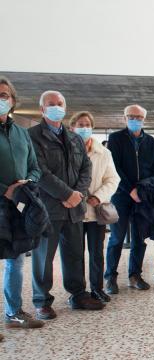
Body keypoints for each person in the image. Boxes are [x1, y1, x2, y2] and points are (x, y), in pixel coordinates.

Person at [29, 90, 104, 319]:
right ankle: (42, 301)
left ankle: (78, 294)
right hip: (48, 208)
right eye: (50, 104)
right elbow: (39, 171)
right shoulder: (32, 136)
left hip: (74, 208)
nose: (56, 106)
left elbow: (85, 168)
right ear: (42, 109)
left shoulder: (74, 137)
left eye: (59, 103)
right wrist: (65, 194)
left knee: (74, 254)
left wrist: (78, 194)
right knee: (44, 257)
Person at [0, 76, 44, 331]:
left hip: (18, 204)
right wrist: (5, 190)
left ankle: (13, 312)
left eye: (5, 95)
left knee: (16, 260)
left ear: (13, 101)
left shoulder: (20, 133)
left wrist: (28, 182)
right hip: (3, 198)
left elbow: (35, 167)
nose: (1, 100)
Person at [105, 104, 154, 294]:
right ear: (124, 118)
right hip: (121, 195)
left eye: (138, 117)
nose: (135, 120)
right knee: (117, 238)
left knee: (139, 238)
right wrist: (130, 189)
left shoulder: (152, 142)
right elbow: (115, 167)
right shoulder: (115, 139)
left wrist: (142, 189)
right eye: (131, 116)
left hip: (143, 196)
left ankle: (135, 275)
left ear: (144, 119)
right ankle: (110, 277)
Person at [69, 111, 120, 303]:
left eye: (87, 124)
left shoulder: (104, 152)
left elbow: (113, 179)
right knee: (75, 254)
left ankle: (97, 288)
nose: (84, 128)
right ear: (72, 128)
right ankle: (78, 292)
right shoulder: (67, 150)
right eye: (80, 124)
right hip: (73, 210)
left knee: (96, 253)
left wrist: (99, 197)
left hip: (95, 211)